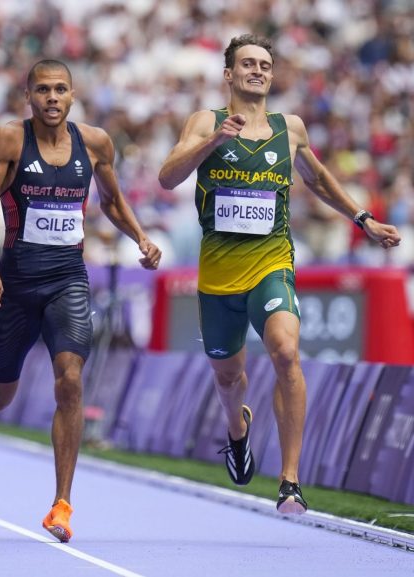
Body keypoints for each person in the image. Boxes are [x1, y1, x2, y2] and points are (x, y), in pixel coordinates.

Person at [158, 34, 401, 515]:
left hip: (272, 263)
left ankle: (290, 481)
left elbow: (317, 179)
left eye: (265, 65)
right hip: (218, 276)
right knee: (229, 381)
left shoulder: (288, 128)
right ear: (228, 74)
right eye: (247, 64)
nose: (257, 71)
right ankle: (237, 430)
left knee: (287, 351)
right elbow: (167, 176)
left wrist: (363, 220)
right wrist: (214, 142)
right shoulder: (205, 121)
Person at [0, 59, 161, 542]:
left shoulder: (95, 143)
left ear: (73, 96)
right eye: (43, 91)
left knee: (70, 380)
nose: (52, 98)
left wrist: (141, 237)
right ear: (27, 96)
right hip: (15, 284)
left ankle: (62, 503)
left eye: (60, 90)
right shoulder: (9, 140)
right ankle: (2, 353)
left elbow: (113, 202)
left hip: (68, 279)